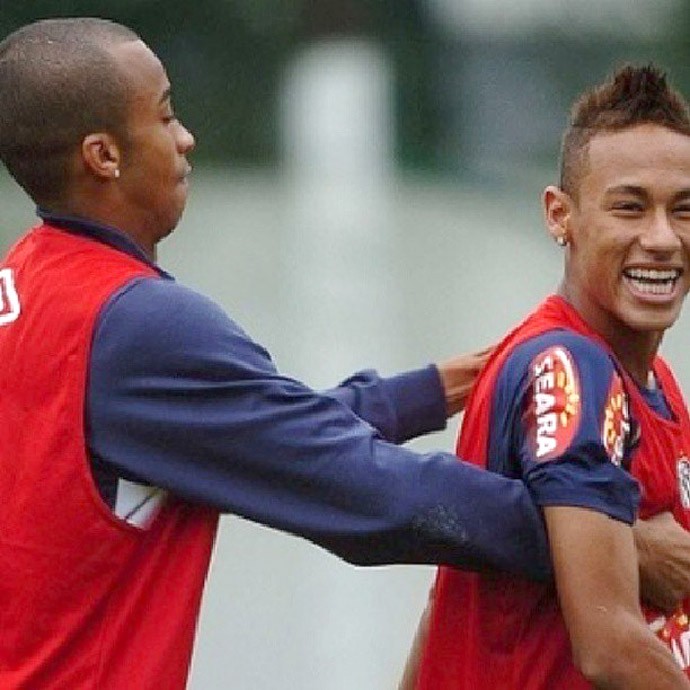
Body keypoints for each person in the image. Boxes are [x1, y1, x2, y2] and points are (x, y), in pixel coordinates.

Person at [0, 17, 558, 690]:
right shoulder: (137, 322)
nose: (186, 139)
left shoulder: (27, 280)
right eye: (167, 115)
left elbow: (259, 439)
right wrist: (592, 538)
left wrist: (440, 386)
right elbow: (359, 490)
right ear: (103, 155)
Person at [406, 64, 690, 689]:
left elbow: (446, 602)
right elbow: (611, 648)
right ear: (560, 216)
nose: (662, 238)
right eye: (629, 208)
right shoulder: (572, 369)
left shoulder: (654, 381)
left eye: (684, 209)